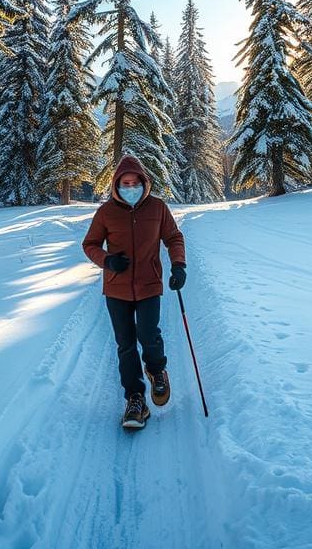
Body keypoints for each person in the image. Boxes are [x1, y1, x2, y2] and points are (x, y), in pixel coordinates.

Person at [82, 154, 187, 429]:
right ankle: (135, 400)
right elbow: (90, 244)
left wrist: (178, 266)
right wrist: (107, 261)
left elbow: (173, 237)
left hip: (149, 284)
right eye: (125, 183)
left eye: (135, 183)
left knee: (148, 334)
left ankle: (156, 370)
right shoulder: (106, 212)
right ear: (116, 185)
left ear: (144, 182)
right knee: (126, 343)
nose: (130, 187)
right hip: (116, 289)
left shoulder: (158, 208)